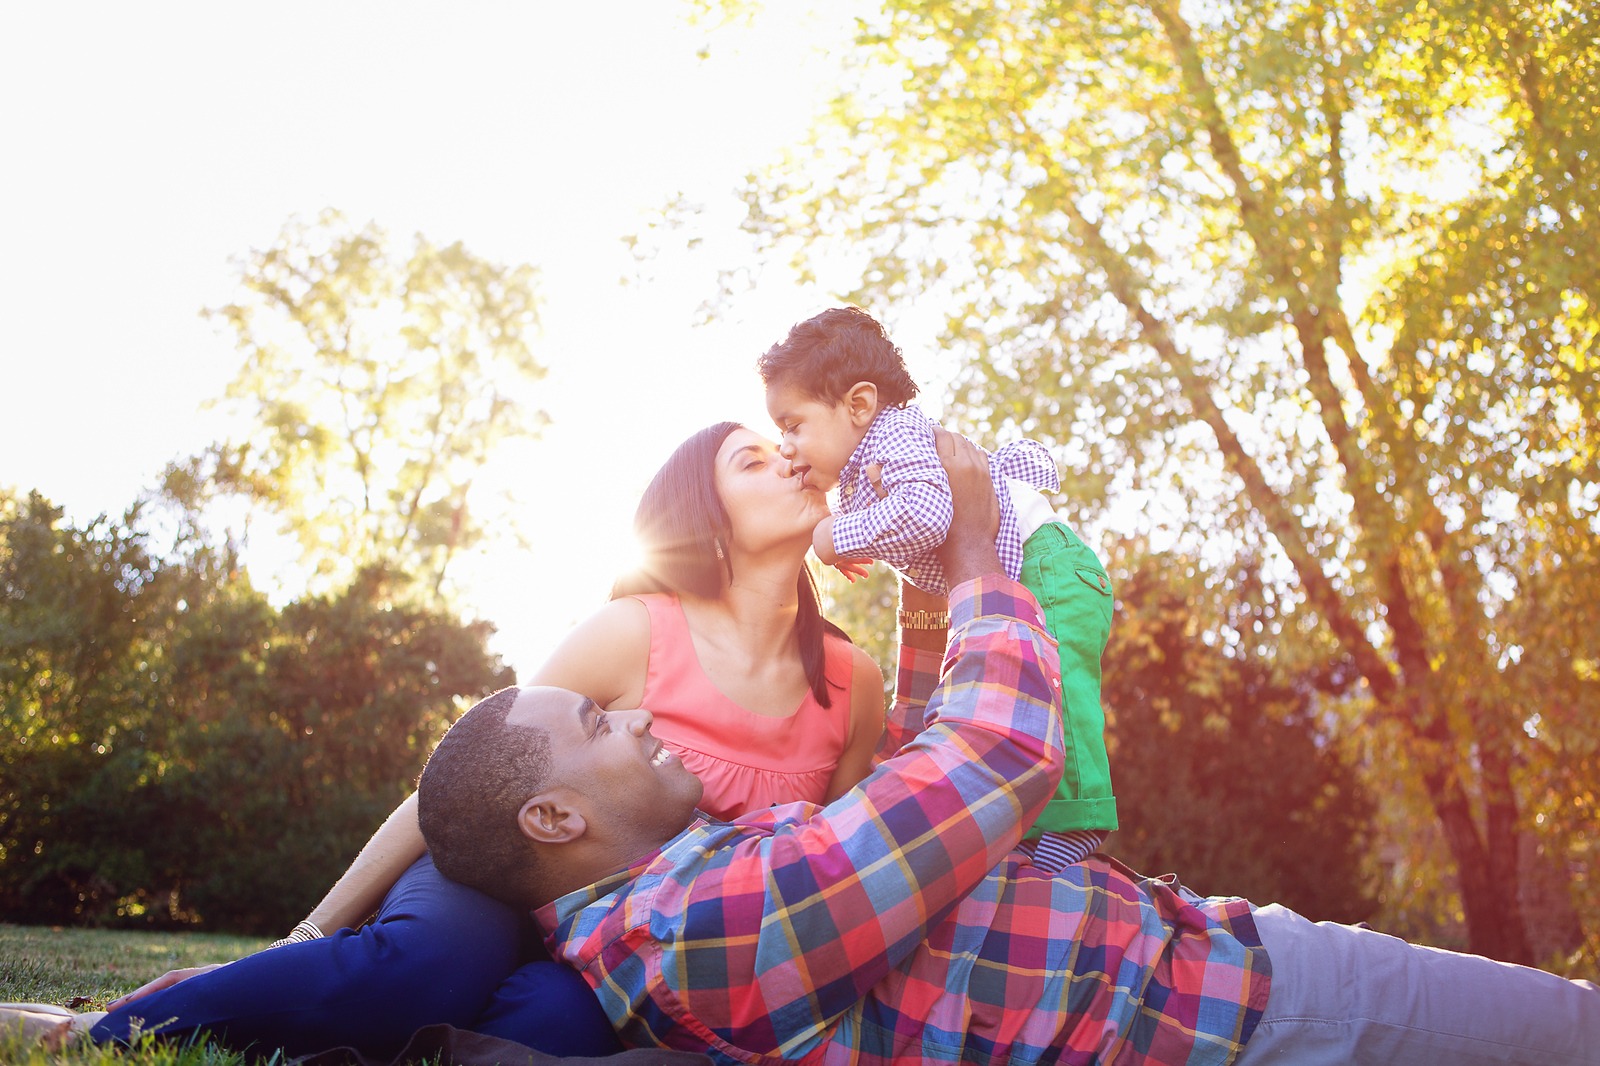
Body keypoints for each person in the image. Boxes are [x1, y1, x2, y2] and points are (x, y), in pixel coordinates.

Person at [418, 429, 1600, 1066]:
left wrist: (934, 603)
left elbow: (914, 793)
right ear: (553, 819)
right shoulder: (699, 931)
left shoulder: (695, 880)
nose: (627, 713)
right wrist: (983, 550)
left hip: (1218, 962)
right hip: (1252, 1014)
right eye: (594, 725)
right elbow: (996, 759)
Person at [33, 422, 893, 1062]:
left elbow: (836, 860)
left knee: (560, 1028)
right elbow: (471, 773)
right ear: (705, 519)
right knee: (430, 965)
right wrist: (307, 935)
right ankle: (101, 1033)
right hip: (503, 881)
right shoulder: (632, 633)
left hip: (631, 944)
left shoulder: (852, 686)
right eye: (752, 457)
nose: (789, 456)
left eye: (784, 445)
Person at [760, 305, 1116, 869]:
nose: (785, 447)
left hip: (1043, 566)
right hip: (1023, 574)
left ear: (858, 405)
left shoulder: (892, 434)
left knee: (1058, 690)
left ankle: (1077, 823)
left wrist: (837, 537)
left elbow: (927, 513)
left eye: (792, 425)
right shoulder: (868, 463)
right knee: (1028, 690)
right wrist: (857, 535)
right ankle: (1036, 823)